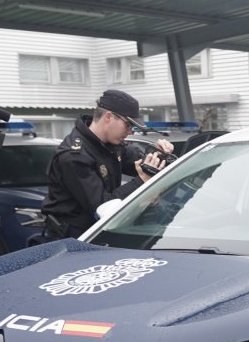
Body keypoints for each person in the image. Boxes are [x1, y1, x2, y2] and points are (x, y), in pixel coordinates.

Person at [41, 89, 172, 239]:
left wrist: (161, 154)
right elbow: (103, 207)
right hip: (73, 239)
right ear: (109, 117)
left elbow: (141, 162)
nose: (130, 132)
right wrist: (141, 181)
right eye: (128, 125)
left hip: (98, 232)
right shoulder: (74, 156)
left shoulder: (110, 144)